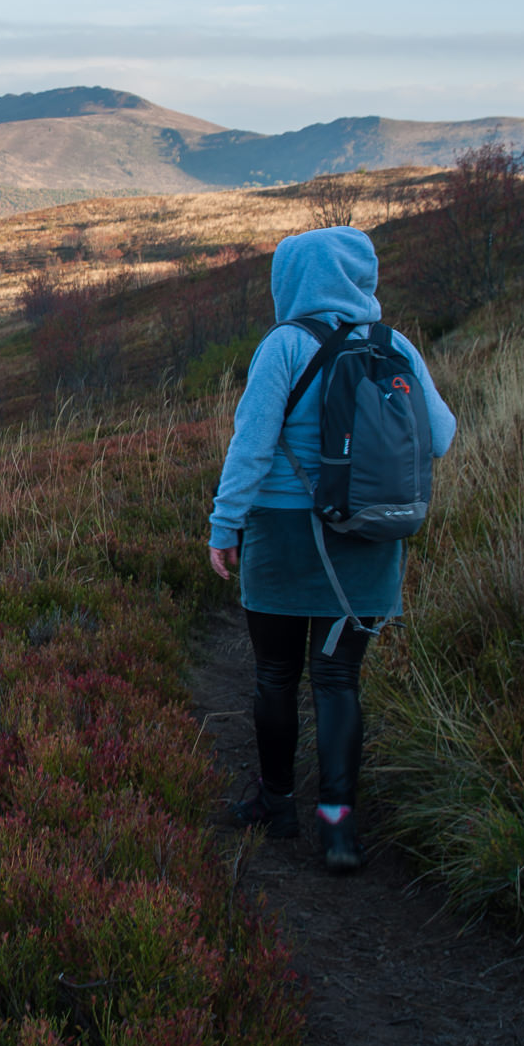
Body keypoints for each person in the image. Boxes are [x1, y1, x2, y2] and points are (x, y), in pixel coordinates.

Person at [206, 227, 456, 871]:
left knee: (276, 677)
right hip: (369, 537)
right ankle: (340, 830)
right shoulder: (394, 344)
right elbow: (443, 437)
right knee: (340, 679)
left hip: (284, 536)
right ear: (357, 277)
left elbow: (252, 446)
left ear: (292, 280)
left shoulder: (284, 345)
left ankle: (277, 804)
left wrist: (224, 525)